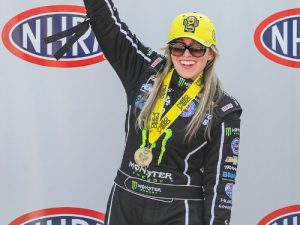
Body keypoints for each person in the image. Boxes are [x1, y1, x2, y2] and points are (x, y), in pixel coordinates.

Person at [46, 0, 242, 224]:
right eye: (178, 47)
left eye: (197, 48)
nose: (186, 55)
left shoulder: (224, 108)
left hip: (178, 211)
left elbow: (219, 186)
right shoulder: (145, 70)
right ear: (169, 50)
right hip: (125, 203)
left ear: (210, 55)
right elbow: (108, 25)